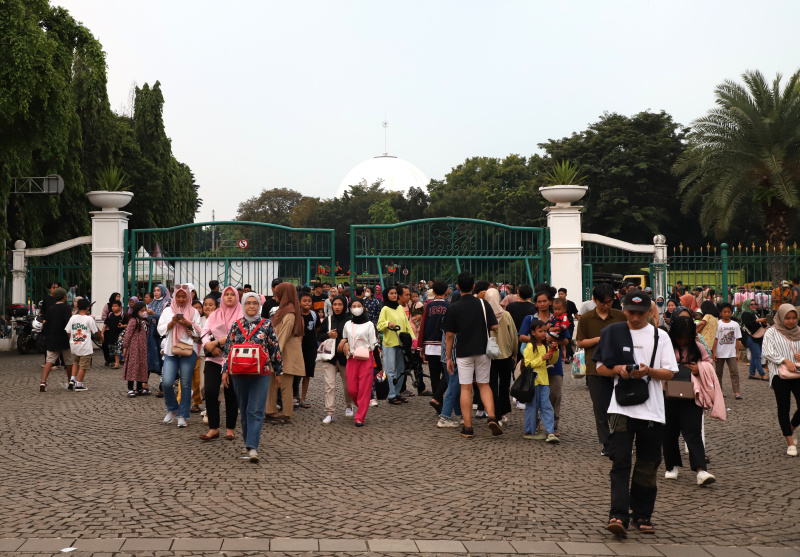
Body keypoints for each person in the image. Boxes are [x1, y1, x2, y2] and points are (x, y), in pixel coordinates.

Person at [594, 290, 678, 537]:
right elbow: (599, 368)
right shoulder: (612, 332)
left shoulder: (660, 336)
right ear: (624, 308)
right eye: (631, 312)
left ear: (650, 311)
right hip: (620, 408)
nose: (635, 317)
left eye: (640, 313)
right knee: (620, 462)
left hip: (652, 410)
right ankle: (617, 515)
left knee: (648, 465)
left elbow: (670, 373)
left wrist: (648, 371)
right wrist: (618, 369)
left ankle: (641, 514)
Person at [220, 292, 282, 463]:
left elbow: (274, 349)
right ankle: (249, 442)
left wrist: (278, 372)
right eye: (248, 303)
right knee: (245, 409)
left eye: (255, 303)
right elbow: (228, 349)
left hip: (261, 373)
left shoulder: (267, 324)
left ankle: (253, 447)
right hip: (239, 373)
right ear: (243, 305)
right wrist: (224, 371)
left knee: (256, 410)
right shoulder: (236, 325)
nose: (252, 306)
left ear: (259, 305)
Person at [443, 272, 503, 438]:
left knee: (466, 387)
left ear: (457, 287)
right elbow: (495, 327)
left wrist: (448, 358)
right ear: (474, 287)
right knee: (484, 384)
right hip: (483, 350)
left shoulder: (453, 307)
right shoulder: (483, 304)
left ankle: (468, 428)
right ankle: (492, 417)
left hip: (463, 352)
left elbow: (449, 335)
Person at [663, 316, 716, 485]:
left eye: (686, 337)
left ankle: (701, 470)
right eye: (680, 337)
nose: (683, 340)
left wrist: (698, 368)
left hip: (692, 395)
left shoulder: (698, 347)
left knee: (693, 432)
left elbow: (709, 364)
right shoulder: (666, 347)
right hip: (667, 394)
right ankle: (671, 466)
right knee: (669, 432)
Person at [576, 283, 627, 456]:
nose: (606, 305)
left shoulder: (620, 316)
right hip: (594, 368)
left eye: (609, 302)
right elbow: (580, 342)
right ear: (594, 300)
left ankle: (621, 438)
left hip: (618, 366)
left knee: (621, 404)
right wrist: (600, 339)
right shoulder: (586, 318)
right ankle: (606, 442)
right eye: (602, 302)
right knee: (600, 407)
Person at [519, 290, 571, 433]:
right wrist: (538, 339)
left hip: (555, 364)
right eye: (539, 301)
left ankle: (553, 426)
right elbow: (521, 336)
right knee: (533, 396)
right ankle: (534, 423)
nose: (542, 304)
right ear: (535, 303)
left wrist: (552, 340)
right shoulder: (529, 319)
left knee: (555, 395)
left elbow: (566, 340)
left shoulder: (558, 318)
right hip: (536, 364)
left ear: (550, 301)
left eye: (544, 301)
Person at [157, 285, 202, 428]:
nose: (181, 299)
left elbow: (199, 331)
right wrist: (172, 323)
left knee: (186, 383)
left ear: (188, 297)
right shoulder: (168, 311)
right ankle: (172, 409)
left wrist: (189, 325)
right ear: (174, 297)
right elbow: (160, 329)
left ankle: (183, 415)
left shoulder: (193, 311)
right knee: (167, 382)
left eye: (184, 296)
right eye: (179, 296)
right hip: (171, 350)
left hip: (189, 350)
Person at [200, 286, 241, 441]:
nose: (229, 297)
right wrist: (209, 345)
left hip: (233, 359)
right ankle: (213, 428)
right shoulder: (215, 314)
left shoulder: (241, 314)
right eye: (226, 295)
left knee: (231, 394)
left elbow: (236, 334)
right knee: (210, 391)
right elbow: (204, 332)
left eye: (232, 294)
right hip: (214, 359)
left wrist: (216, 343)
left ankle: (230, 428)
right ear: (222, 298)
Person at [762, 304, 800, 456]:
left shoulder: (799, 331)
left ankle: (790, 427)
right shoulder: (771, 332)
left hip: (798, 373)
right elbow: (767, 351)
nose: (791, 321)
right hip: (779, 374)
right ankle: (789, 441)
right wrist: (785, 360)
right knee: (784, 407)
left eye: (793, 318)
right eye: (787, 318)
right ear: (781, 317)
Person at [266, 282, 305, 424]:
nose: (275, 296)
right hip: (278, 351)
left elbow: (282, 336)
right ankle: (271, 411)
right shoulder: (282, 310)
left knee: (285, 384)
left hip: (284, 352)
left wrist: (275, 355)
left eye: (278, 293)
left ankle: (287, 414)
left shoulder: (289, 312)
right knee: (271, 381)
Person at [341, 298, 379, 426]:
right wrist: (345, 344)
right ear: (350, 309)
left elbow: (374, 344)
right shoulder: (348, 324)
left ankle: (360, 417)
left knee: (364, 388)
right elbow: (345, 338)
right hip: (351, 358)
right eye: (354, 306)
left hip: (366, 357)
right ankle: (363, 405)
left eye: (359, 305)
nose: (356, 308)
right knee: (351, 389)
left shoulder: (369, 324)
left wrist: (378, 365)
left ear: (363, 307)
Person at [317, 295, 354, 423]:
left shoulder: (350, 321)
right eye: (335, 304)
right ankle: (329, 412)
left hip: (345, 357)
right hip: (330, 357)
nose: (337, 307)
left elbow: (354, 337)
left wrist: (345, 342)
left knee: (348, 385)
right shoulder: (328, 320)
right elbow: (319, 336)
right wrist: (328, 334)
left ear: (345, 306)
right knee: (329, 386)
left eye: (340, 304)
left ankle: (348, 405)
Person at [522, 320, 560, 443]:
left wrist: (554, 351)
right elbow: (528, 364)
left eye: (545, 331)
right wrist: (542, 358)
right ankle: (529, 431)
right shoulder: (529, 347)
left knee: (546, 406)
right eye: (540, 331)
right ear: (533, 332)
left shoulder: (545, 346)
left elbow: (552, 361)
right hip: (532, 382)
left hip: (544, 382)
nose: (544, 334)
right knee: (532, 407)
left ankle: (550, 431)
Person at [377, 285, 415, 405]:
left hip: (401, 344)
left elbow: (407, 325)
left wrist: (413, 339)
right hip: (390, 344)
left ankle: (398, 393)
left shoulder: (400, 308)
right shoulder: (385, 309)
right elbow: (379, 325)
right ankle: (391, 395)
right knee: (390, 370)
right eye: (391, 293)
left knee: (401, 370)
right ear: (386, 296)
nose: (394, 295)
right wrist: (388, 323)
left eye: (395, 293)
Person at [485, 288, 518, 422]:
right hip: (505, 355)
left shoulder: (484, 315)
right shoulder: (506, 315)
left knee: (491, 385)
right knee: (504, 385)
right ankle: (502, 412)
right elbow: (514, 336)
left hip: (488, 356)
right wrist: (515, 353)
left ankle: (493, 413)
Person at [419, 280, 450, 411]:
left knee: (434, 375)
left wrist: (421, 346)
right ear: (447, 291)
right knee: (447, 375)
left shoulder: (429, 307)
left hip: (430, 345)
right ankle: (437, 398)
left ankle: (439, 404)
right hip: (444, 345)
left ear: (433, 291)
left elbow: (423, 326)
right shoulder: (449, 307)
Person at [39, 288, 73, 391]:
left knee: (49, 361)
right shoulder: (67, 308)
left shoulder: (51, 308)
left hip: (52, 337)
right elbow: (68, 323)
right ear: (64, 297)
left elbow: (47, 324)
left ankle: (43, 382)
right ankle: (70, 381)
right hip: (64, 338)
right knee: (69, 362)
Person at [64, 297, 98, 392]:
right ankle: (79, 384)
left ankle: (72, 379)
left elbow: (68, 331)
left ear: (77, 307)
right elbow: (95, 331)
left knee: (75, 363)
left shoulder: (73, 318)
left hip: (74, 345)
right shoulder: (89, 319)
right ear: (88, 308)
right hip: (85, 347)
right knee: (83, 366)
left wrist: (72, 338)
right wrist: (101, 337)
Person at [713, 303, 742, 400]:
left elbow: (737, 339)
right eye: (724, 312)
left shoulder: (735, 324)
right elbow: (715, 339)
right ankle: (719, 391)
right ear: (721, 313)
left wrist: (737, 353)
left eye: (729, 312)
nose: (727, 314)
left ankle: (737, 392)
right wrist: (714, 352)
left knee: (734, 372)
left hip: (731, 353)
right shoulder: (717, 324)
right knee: (718, 373)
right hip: (719, 352)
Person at [123, 301, 151, 397]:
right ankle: (130, 388)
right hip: (134, 348)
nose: (144, 312)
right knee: (132, 367)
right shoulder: (133, 321)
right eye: (142, 310)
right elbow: (128, 335)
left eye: (145, 310)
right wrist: (125, 347)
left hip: (143, 349)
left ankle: (139, 387)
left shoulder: (145, 322)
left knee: (141, 367)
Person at [147, 284, 170, 397]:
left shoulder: (167, 303)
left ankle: (163, 386)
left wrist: (154, 314)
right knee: (151, 356)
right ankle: (144, 384)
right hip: (152, 334)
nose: (155, 292)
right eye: (154, 290)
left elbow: (166, 318)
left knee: (163, 359)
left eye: (158, 290)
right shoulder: (152, 303)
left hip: (161, 336)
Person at [297, 291, 317, 408]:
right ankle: (296, 396)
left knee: (307, 374)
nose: (307, 303)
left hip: (311, 348)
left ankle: (303, 398)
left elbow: (317, 329)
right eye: (304, 301)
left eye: (309, 301)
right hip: (298, 348)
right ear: (299, 302)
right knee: (297, 374)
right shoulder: (297, 315)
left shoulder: (313, 315)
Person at [741, 298, 769, 380]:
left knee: (755, 355)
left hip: (758, 337)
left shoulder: (756, 314)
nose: (754, 306)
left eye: (755, 304)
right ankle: (762, 374)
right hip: (750, 337)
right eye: (751, 304)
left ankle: (752, 373)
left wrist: (763, 323)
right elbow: (748, 324)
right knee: (757, 356)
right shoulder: (745, 314)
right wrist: (758, 320)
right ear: (747, 305)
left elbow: (760, 327)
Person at [102, 301, 124, 368]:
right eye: (113, 306)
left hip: (119, 335)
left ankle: (117, 363)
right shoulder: (110, 315)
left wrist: (122, 326)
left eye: (115, 306)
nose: (114, 308)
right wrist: (102, 333)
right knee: (111, 349)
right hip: (111, 334)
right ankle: (113, 361)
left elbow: (127, 324)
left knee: (117, 349)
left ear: (120, 307)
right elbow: (105, 324)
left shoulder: (122, 315)